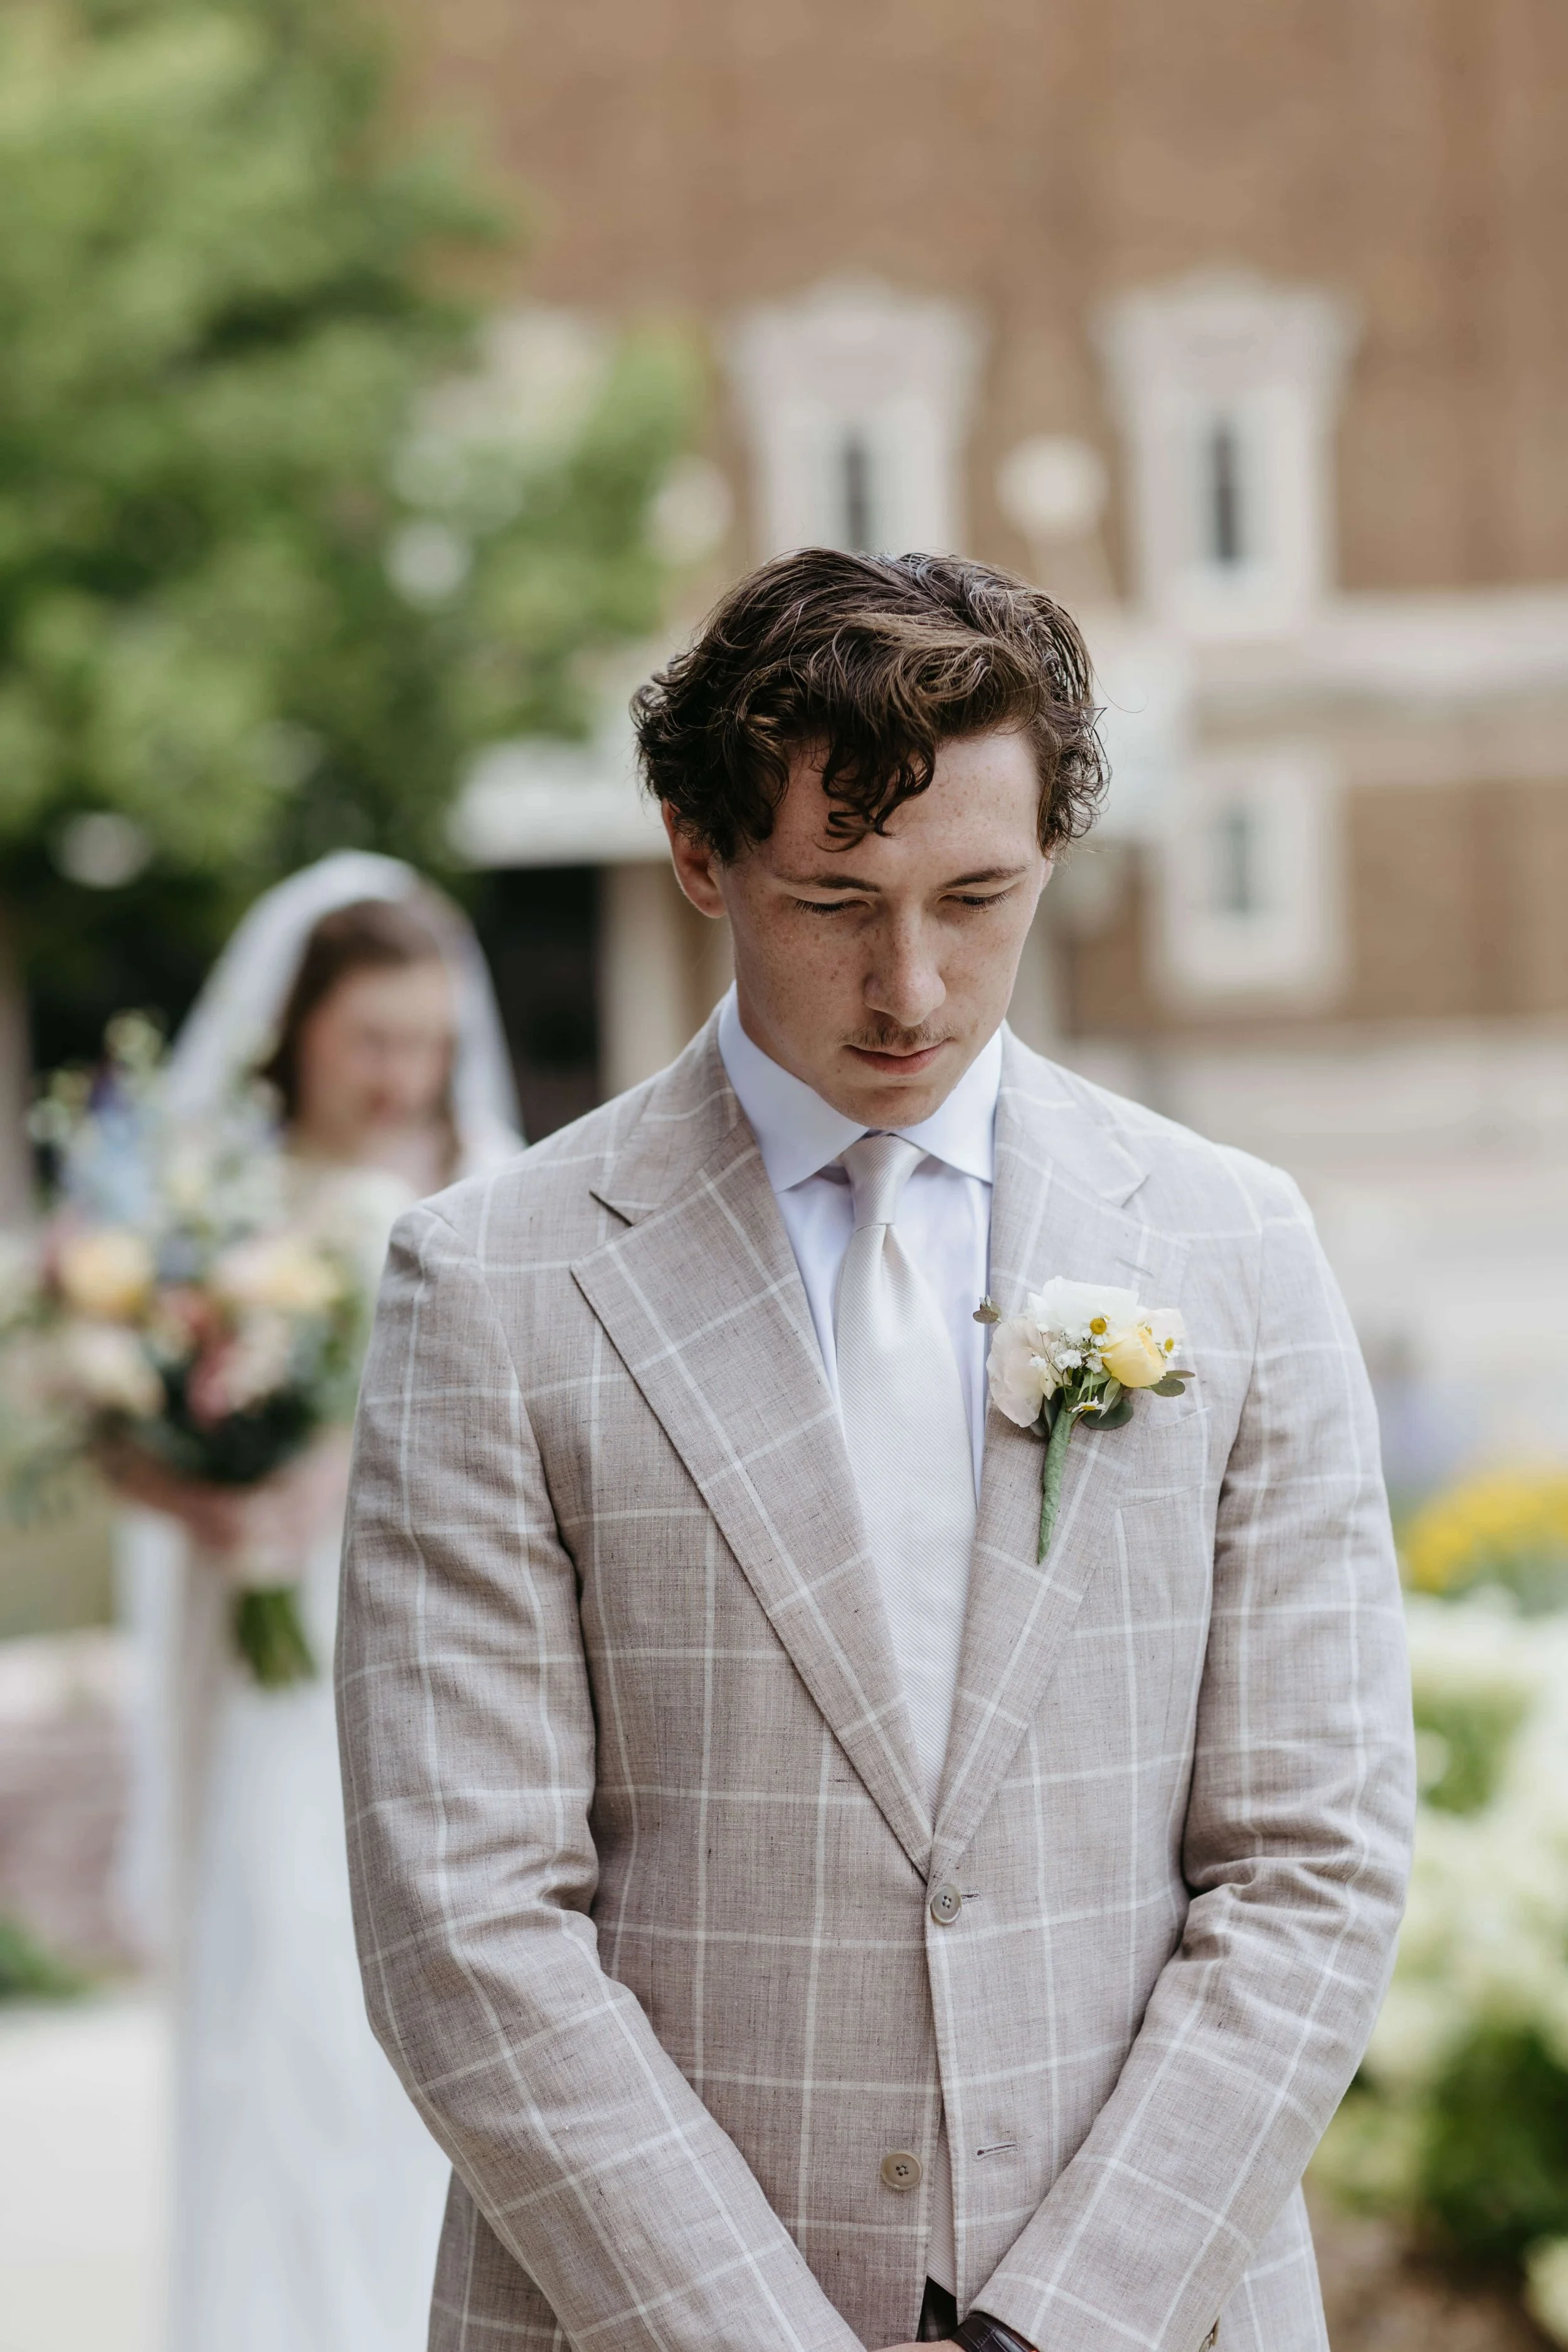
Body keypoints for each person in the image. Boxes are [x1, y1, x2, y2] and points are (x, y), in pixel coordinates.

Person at [337, 554, 1414, 2352]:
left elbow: (1315, 1852)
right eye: (835, 898)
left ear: (1053, 853)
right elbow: (464, 1923)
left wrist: (1057, 2324)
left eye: (976, 897)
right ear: (699, 854)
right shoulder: (490, 1285)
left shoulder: (1234, 1243)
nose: (910, 983)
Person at [107, 852, 519, 2352]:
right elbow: (114, 1411)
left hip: (441, 1657)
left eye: (425, 1040)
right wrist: (212, 1496)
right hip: (275, 1661)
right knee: (283, 1993)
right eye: (371, 1042)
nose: (402, 1075)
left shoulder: (485, 1181)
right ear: (299, 1033)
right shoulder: (211, 1191)